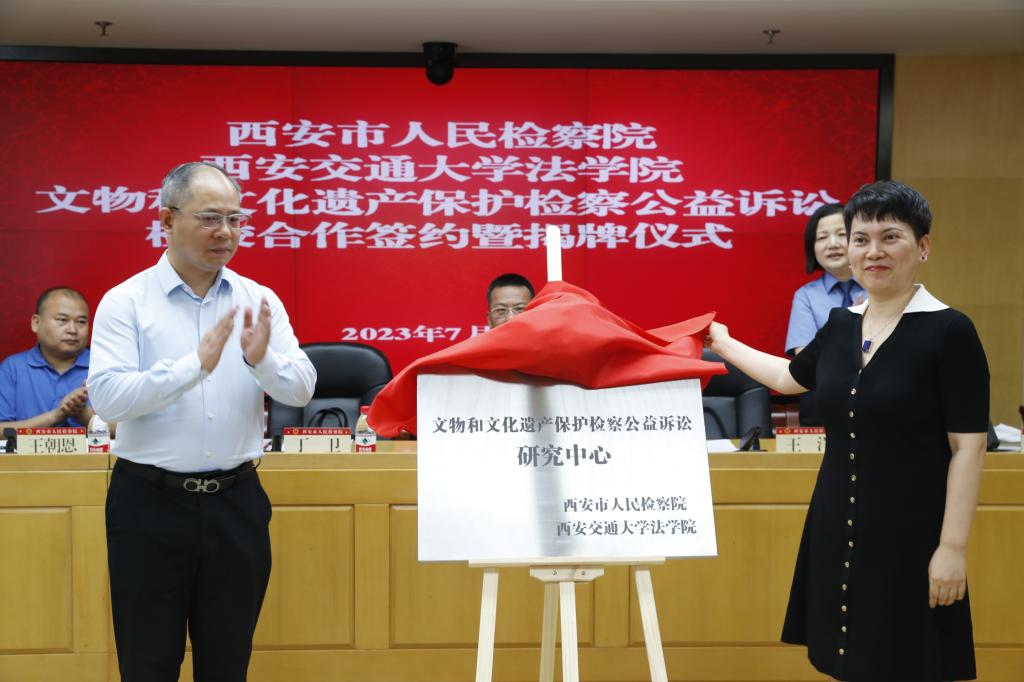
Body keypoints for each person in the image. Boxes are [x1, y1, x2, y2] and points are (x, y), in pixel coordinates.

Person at [708, 180, 988, 681]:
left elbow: (968, 448)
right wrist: (723, 344)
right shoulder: (841, 324)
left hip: (911, 533)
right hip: (837, 522)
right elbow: (788, 378)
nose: (872, 251)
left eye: (890, 237)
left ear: (922, 246)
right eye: (861, 239)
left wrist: (952, 548)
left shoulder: (950, 331)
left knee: (908, 661)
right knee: (847, 659)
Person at [88, 161, 316, 682]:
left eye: (236, 219)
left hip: (237, 503)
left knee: (227, 663)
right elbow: (109, 399)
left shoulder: (259, 299)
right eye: (211, 218)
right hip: (148, 505)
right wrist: (192, 366)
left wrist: (262, 360)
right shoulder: (126, 302)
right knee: (148, 663)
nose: (226, 233)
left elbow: (301, 387)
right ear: (167, 220)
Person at [786, 204, 866, 425]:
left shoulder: (880, 290)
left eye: (841, 234)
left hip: (878, 399)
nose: (833, 244)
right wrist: (850, 324)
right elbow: (807, 361)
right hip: (822, 404)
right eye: (822, 237)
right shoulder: (805, 296)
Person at [0, 287, 93, 431]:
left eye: (81, 322)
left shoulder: (102, 367)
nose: (73, 330)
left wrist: (83, 414)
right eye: (62, 320)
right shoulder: (13, 369)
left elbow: (125, 428)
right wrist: (55, 416)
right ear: (36, 323)